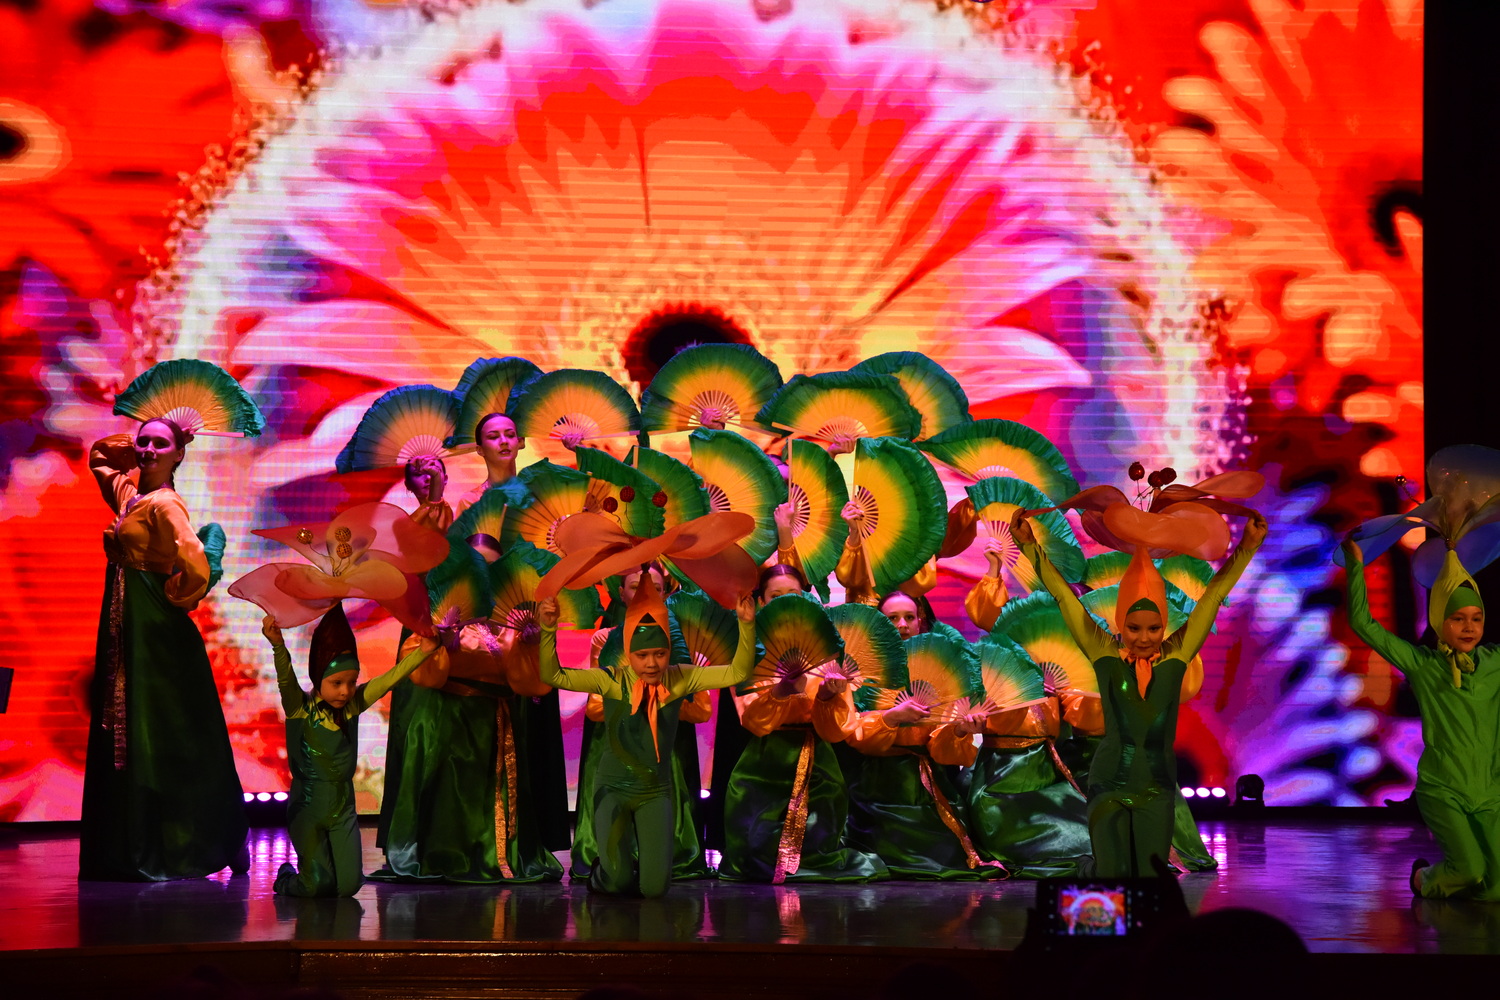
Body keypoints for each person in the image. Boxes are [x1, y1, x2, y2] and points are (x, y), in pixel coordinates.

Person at [1013, 505, 1266, 878]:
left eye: (1153, 628)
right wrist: (1030, 547)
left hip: (1157, 787)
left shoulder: (1176, 656)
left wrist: (1247, 547)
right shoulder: (1103, 653)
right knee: (1110, 877)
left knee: (1150, 878)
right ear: (1120, 625)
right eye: (1134, 628)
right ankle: (1088, 880)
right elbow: (1065, 598)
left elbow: (1213, 596)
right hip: (1108, 782)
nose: (1144, 638)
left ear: (1165, 626)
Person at [80, 424, 248, 881]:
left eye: (161, 444)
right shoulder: (130, 497)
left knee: (164, 729)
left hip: (154, 625)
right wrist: (138, 443)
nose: (148, 449)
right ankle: (134, 835)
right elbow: (100, 456)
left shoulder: (165, 503)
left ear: (179, 456)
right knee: (128, 725)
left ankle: (212, 834)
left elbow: (194, 558)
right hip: (124, 622)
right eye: (143, 441)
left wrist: (175, 595)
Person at [537, 591, 758, 897]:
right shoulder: (611, 679)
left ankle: (637, 868)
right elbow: (553, 675)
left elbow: (738, 672)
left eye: (660, 654)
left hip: (655, 792)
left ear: (669, 652)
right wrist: (548, 629)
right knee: (617, 882)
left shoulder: (680, 678)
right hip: (612, 789)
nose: (652, 663)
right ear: (629, 653)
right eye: (642, 655)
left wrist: (746, 624)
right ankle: (606, 872)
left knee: (654, 889)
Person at [1344, 538, 1500, 899]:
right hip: (1444, 789)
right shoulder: (1423, 665)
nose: (1469, 627)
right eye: (1458, 619)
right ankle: (1423, 878)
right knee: (1470, 870)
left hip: (1490, 793)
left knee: (1494, 890)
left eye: (1476, 619)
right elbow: (1363, 624)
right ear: (1440, 621)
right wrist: (1355, 567)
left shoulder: (1493, 662)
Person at [263, 607, 438, 896]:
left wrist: (424, 652)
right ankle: (286, 877)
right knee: (317, 885)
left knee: (349, 886)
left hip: (342, 807)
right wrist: (278, 644)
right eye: (337, 683)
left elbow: (390, 679)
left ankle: (323, 867)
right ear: (318, 677)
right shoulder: (299, 708)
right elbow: (285, 676)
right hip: (307, 808)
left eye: (352, 682)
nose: (346, 691)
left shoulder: (352, 706)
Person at [843, 648, 1001, 880]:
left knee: (944, 847)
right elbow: (853, 733)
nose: (903, 628)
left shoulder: (941, 672)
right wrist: (891, 717)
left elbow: (943, 745)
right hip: (875, 780)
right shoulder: (862, 676)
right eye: (894, 624)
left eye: (909, 622)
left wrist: (960, 730)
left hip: (927, 781)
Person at [457, 412, 526, 513]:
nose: (504, 441)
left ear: (520, 442)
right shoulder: (471, 502)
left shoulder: (536, 495)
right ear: (480, 450)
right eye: (493, 437)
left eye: (510, 435)